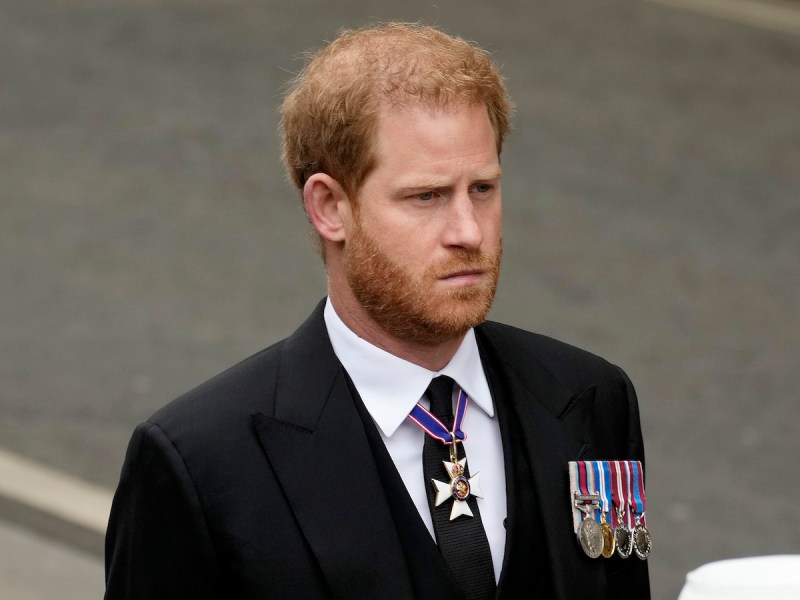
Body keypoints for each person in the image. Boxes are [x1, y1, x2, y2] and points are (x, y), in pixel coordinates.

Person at [104, 22, 650, 599]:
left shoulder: (591, 399)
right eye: (427, 196)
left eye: (483, 189)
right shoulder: (202, 463)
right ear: (330, 207)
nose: (469, 231)